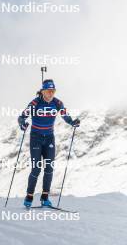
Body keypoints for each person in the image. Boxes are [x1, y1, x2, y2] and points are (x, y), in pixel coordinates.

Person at [18, 79, 80, 207]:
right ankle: (29, 198)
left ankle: (45, 198)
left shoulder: (57, 103)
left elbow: (65, 115)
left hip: (49, 138)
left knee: (49, 168)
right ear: (43, 91)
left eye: (53, 91)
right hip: (36, 138)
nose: (51, 93)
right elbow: (22, 117)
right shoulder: (35, 103)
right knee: (36, 168)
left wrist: (72, 122)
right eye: (48, 91)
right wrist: (22, 124)